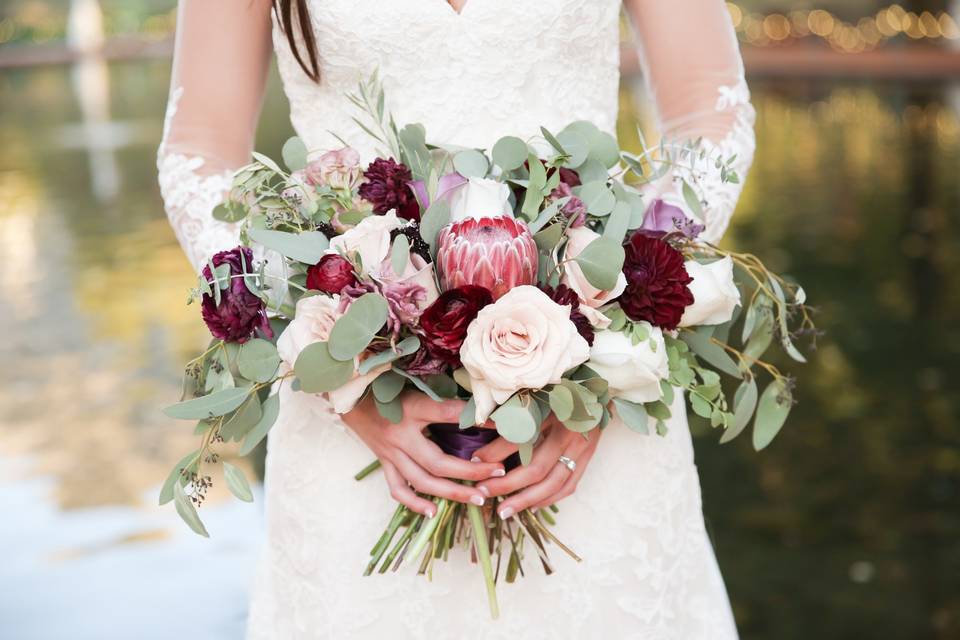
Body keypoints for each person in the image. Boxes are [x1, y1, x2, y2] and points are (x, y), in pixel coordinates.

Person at [158, 1, 755, 637]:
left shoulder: (601, 365)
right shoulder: (347, 385)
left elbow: (708, 115)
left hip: (592, 426)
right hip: (355, 423)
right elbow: (200, 152)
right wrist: (339, 370)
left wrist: (611, 332)